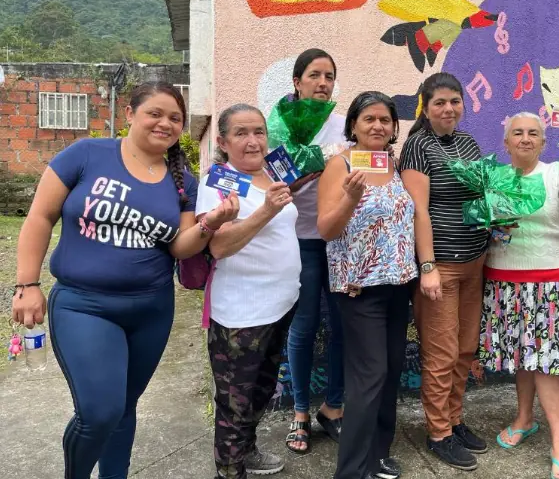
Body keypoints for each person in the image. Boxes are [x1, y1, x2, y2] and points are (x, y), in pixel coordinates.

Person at [11, 82, 238, 479]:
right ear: (130, 114)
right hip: (84, 304)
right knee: (99, 411)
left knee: (124, 407)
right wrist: (27, 285)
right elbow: (39, 217)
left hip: (150, 310)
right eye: (155, 113)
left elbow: (181, 248)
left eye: (175, 118)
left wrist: (209, 223)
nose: (165, 123)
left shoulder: (182, 180)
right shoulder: (86, 154)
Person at [480, 113, 559, 479]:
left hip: (551, 284)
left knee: (548, 364)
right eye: (517, 133)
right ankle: (523, 418)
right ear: (505, 143)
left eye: (534, 133)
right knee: (521, 355)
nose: (525, 138)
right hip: (503, 280)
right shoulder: (495, 178)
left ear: (544, 142)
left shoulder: (556, 174)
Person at [197, 104, 302, 478]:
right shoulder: (218, 182)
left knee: (261, 390)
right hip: (241, 313)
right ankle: (229, 470)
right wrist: (266, 211)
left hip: (281, 304)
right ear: (223, 142)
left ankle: (248, 451)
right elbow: (219, 246)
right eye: (241, 133)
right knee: (234, 402)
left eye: (258, 131)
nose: (253, 140)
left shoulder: (274, 170)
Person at [317, 92, 417, 479]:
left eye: (385, 120)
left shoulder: (392, 164)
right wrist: (349, 198)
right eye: (369, 119)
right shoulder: (340, 166)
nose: (377, 126)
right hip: (358, 289)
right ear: (354, 125)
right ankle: (352, 470)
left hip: (397, 286)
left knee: (390, 370)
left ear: (394, 128)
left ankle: (377, 455)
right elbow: (326, 229)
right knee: (369, 374)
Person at [399, 72, 489, 472]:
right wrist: (428, 267)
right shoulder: (418, 146)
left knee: (466, 349)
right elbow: (418, 210)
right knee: (441, 354)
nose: (448, 109)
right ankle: (438, 433)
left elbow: (480, 195)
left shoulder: (468, 143)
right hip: (442, 268)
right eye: (440, 102)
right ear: (426, 106)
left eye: (455, 101)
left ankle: (454, 420)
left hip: (476, 262)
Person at [285, 49, 348, 454]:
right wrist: (315, 164)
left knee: (344, 326)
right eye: (314, 75)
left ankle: (334, 407)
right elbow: (276, 186)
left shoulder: (345, 126)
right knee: (304, 327)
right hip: (299, 238)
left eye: (329, 76)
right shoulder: (279, 125)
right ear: (297, 82)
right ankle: (300, 412)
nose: (322, 83)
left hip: (341, 238)